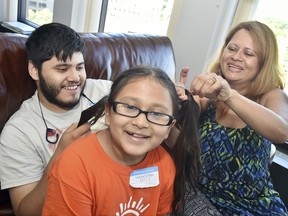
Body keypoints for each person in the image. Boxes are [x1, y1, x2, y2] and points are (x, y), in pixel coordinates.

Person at [42, 66, 201, 215]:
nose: (140, 123)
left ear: (169, 128)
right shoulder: (75, 166)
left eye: (157, 113)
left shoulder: (164, 165)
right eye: (130, 107)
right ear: (108, 113)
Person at [0, 23, 112, 215]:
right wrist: (61, 156)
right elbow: (26, 212)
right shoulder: (19, 132)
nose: (75, 77)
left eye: (80, 67)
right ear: (34, 70)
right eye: (62, 69)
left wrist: (174, 100)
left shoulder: (107, 92)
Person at [177, 21, 288, 215]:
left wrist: (229, 95)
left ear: (263, 61)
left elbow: (281, 131)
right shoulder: (207, 92)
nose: (236, 57)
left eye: (248, 53)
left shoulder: (271, 95)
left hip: (256, 206)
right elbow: (185, 115)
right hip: (203, 201)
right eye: (232, 48)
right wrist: (176, 100)